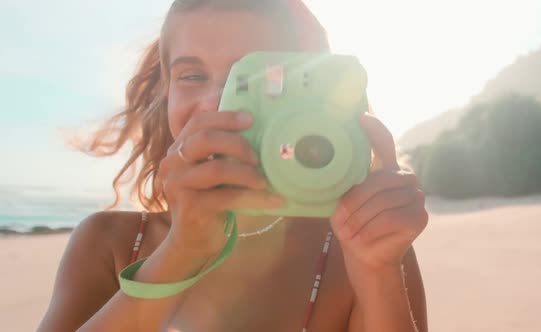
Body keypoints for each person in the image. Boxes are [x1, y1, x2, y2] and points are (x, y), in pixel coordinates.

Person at [38, 0, 429, 331]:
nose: (216, 100)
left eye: (252, 77)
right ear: (166, 92)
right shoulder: (109, 244)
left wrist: (378, 274)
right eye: (192, 75)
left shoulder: (362, 247)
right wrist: (180, 253)